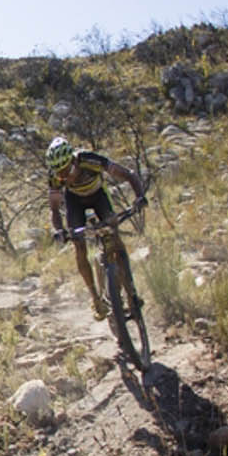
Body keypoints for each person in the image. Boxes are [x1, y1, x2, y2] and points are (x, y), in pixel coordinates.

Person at [46, 136, 147, 320]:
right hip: (75, 201)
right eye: (59, 172)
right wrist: (60, 231)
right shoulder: (55, 175)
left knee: (113, 232)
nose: (63, 176)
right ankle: (95, 298)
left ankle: (130, 291)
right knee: (78, 245)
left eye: (66, 170)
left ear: (73, 161)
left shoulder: (89, 160)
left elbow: (128, 174)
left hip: (98, 195)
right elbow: (54, 208)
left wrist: (140, 196)